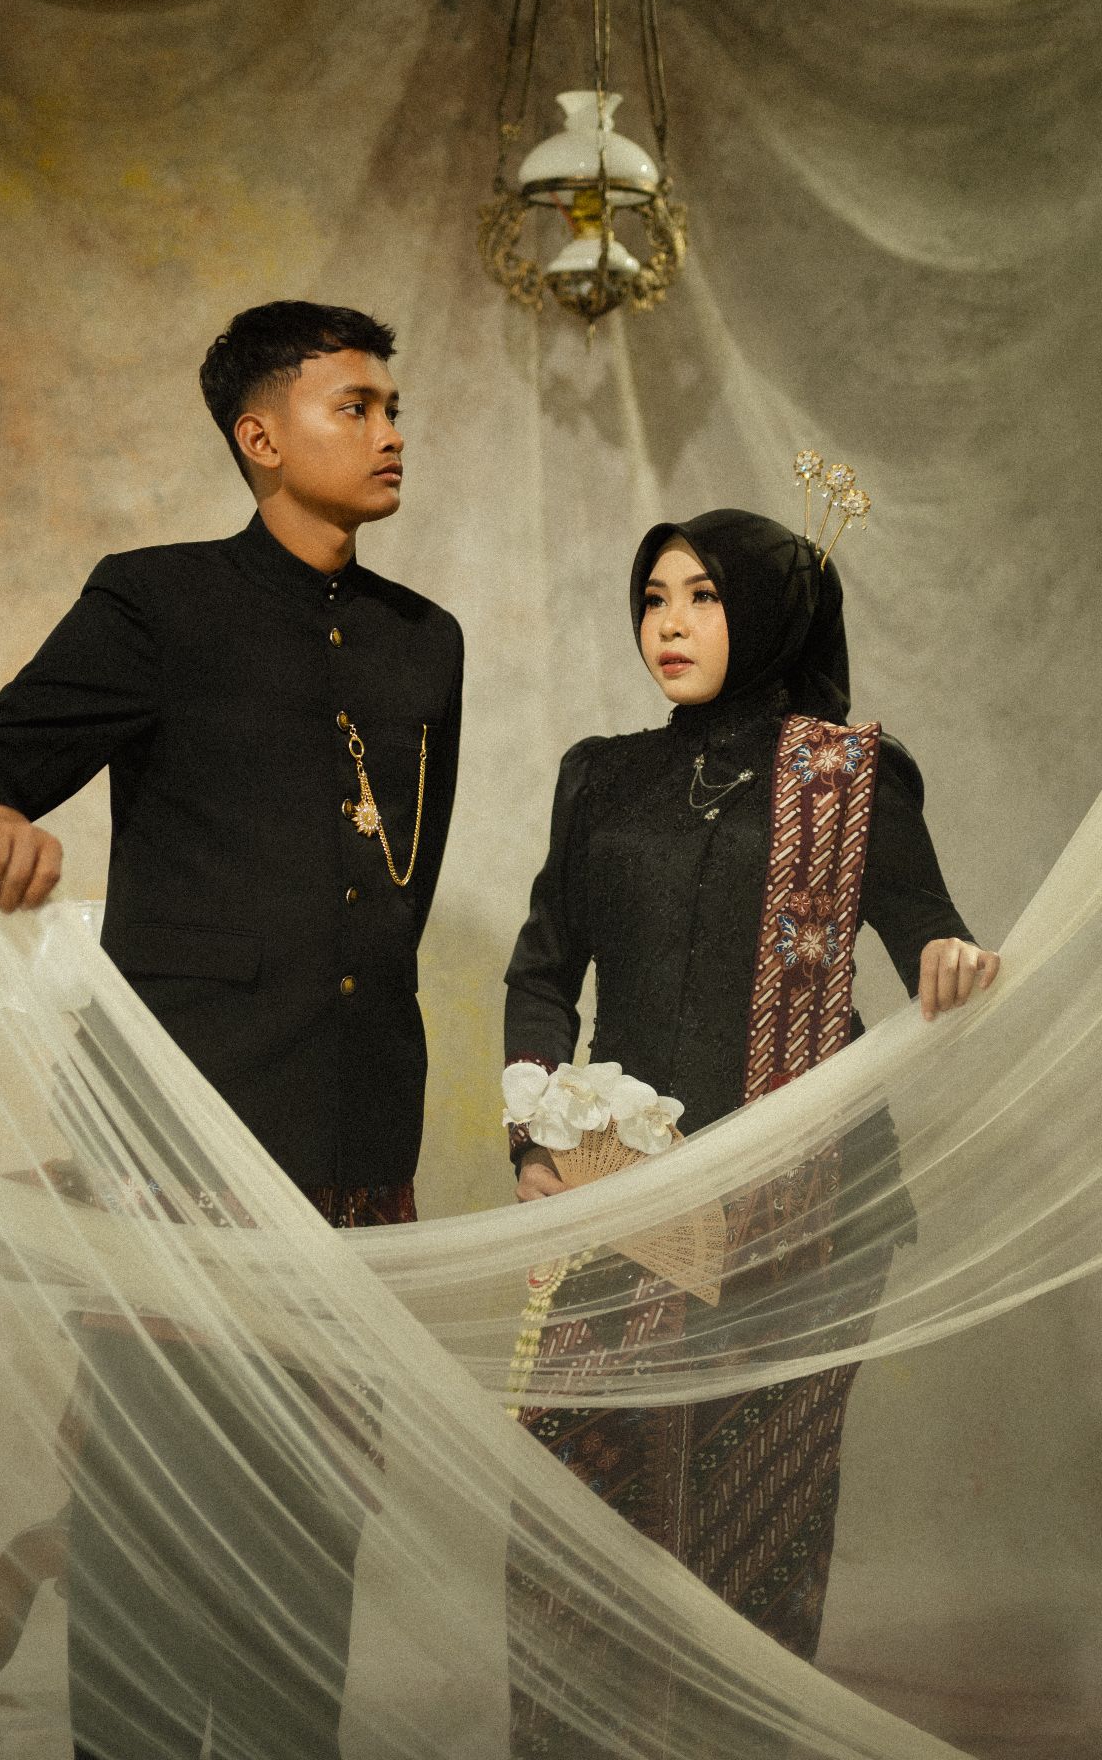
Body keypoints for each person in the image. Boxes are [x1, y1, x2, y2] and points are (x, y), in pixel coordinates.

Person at [0, 299, 464, 1758]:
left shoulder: (426, 639)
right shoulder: (156, 602)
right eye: (355, 406)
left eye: (393, 406)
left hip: (357, 1123)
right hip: (181, 1119)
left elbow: (400, 882)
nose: (390, 431)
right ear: (260, 437)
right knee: (153, 1506)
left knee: (318, 1503)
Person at [502, 509, 998, 1742]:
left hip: (803, 1200)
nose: (667, 624)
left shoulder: (848, 776)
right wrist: (534, 1132)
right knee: (574, 1506)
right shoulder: (599, 775)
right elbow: (542, 971)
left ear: (771, 615)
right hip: (622, 1185)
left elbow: (927, 928)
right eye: (653, 597)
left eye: (703, 596)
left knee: (752, 1520)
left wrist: (948, 954)